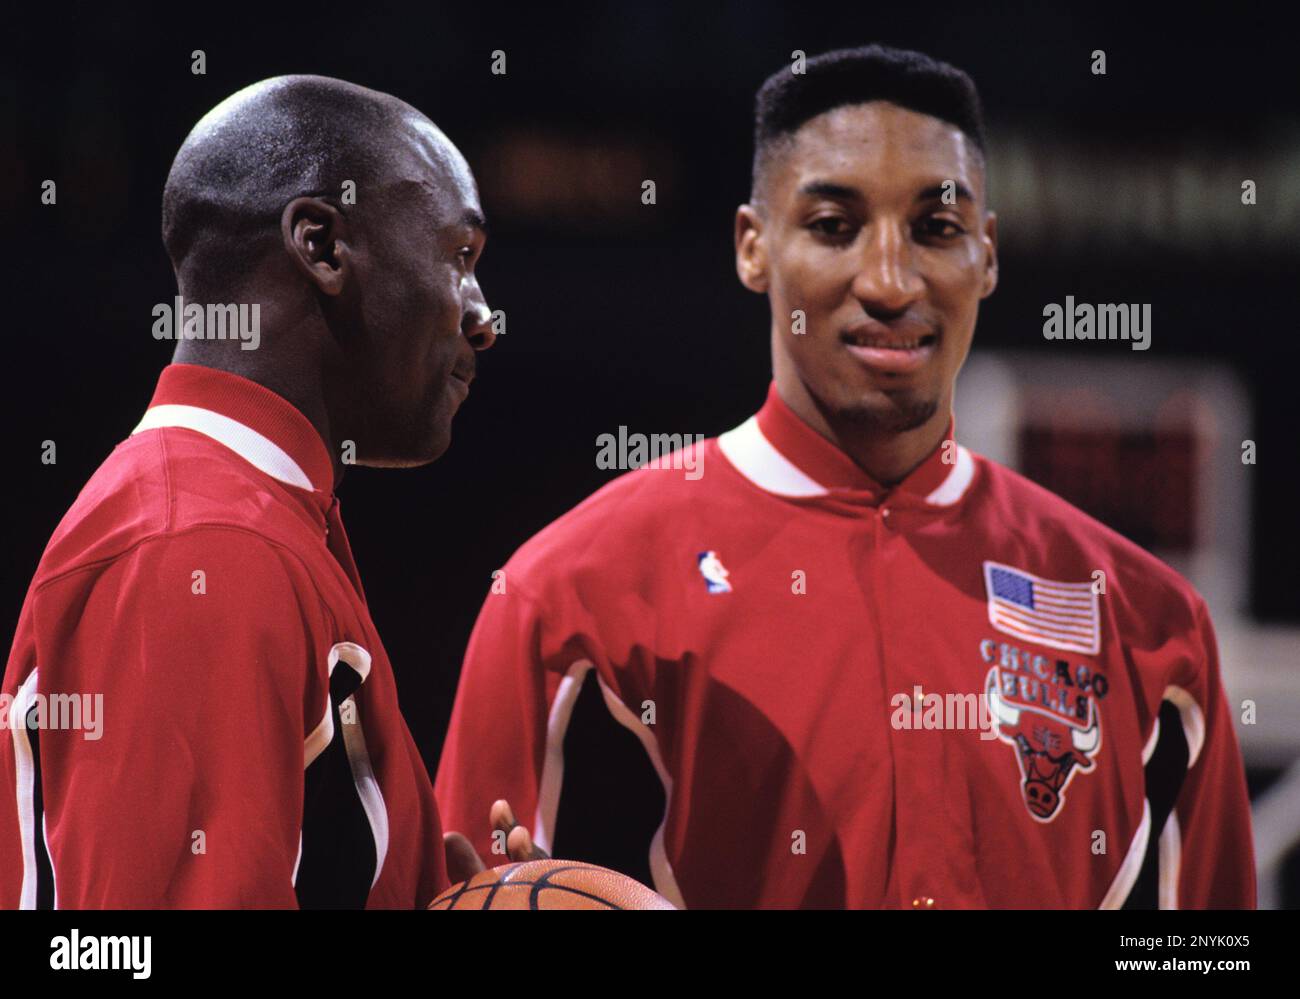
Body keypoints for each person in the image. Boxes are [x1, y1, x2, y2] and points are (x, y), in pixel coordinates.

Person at [435, 45, 1256, 909]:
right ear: (754, 247)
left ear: (988, 253)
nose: (890, 281)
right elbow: (470, 894)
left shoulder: (1152, 625)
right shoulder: (565, 599)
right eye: (834, 226)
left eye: (937, 230)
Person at [1, 75, 507, 908]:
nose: (483, 314)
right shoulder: (200, 543)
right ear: (322, 245)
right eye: (459, 256)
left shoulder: (246, 515)